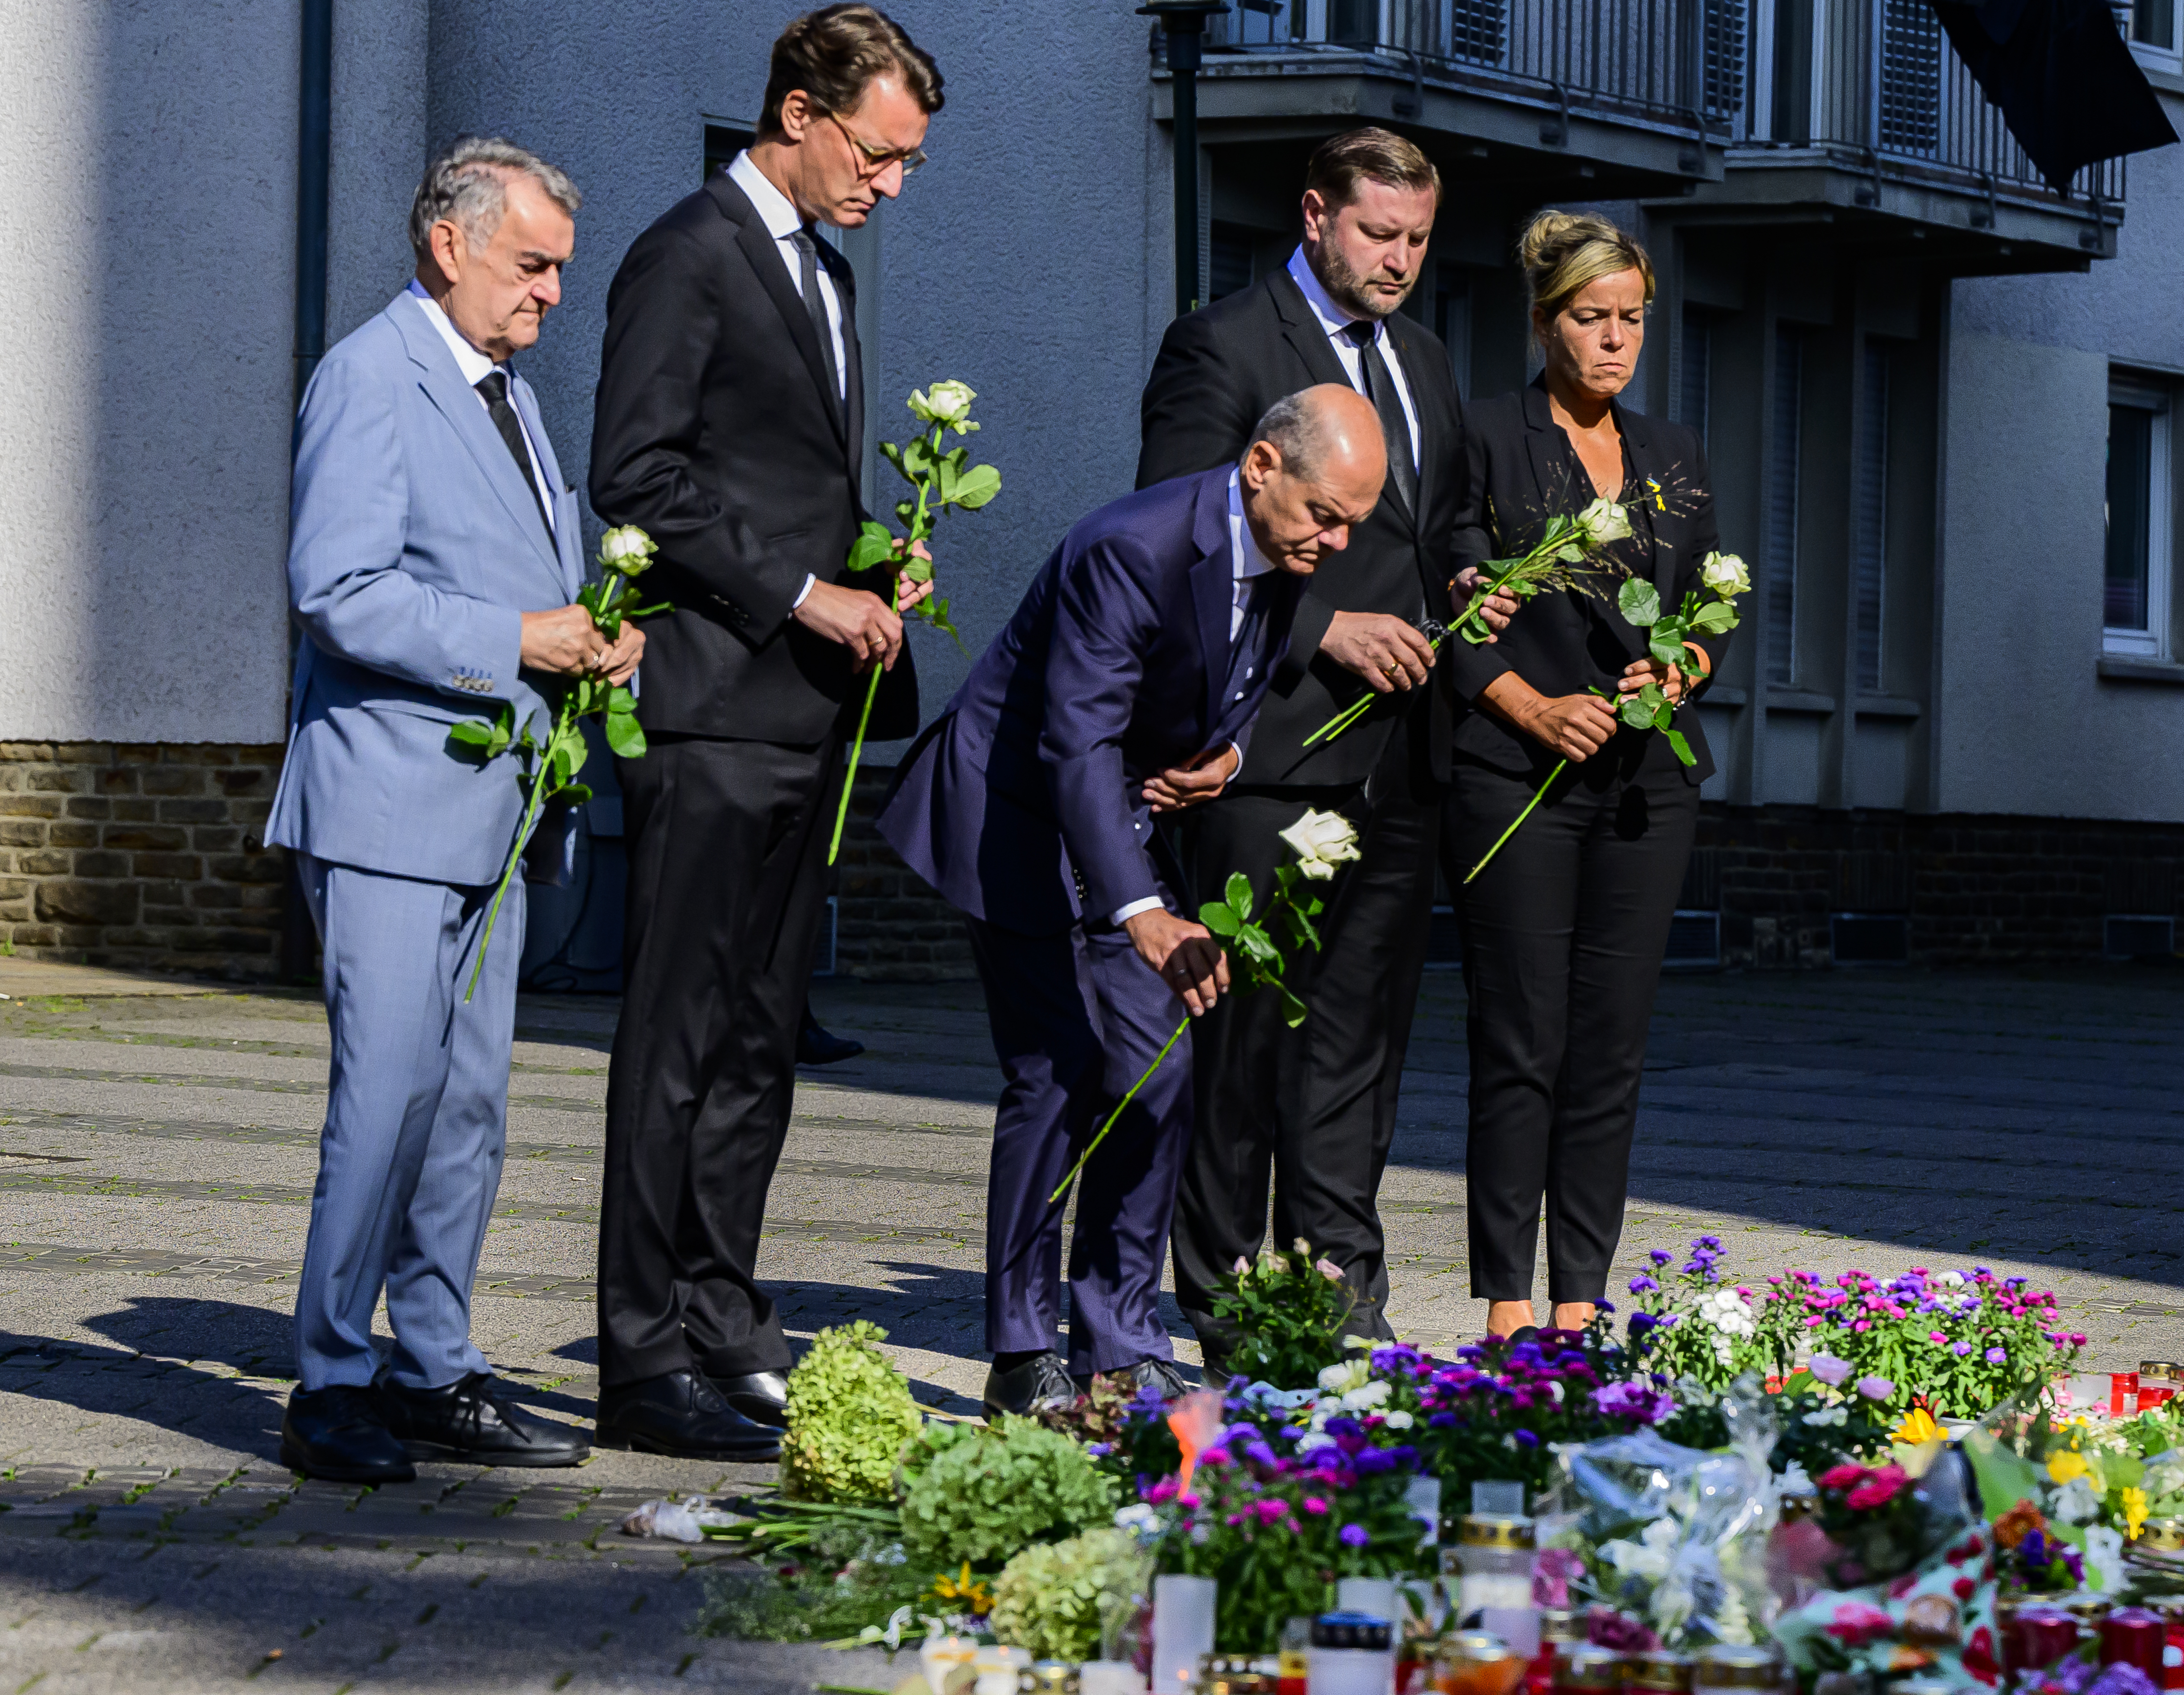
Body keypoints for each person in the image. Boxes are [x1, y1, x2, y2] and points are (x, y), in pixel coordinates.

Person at [880, 387, 1388, 1416]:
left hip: (1115, 815)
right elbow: (1074, 741)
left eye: (1353, 525)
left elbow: (1229, 679)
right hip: (1013, 814)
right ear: (1260, 466)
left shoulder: (1282, 553)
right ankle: (1023, 1353)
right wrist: (1142, 910)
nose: (1336, 542)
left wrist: (1219, 758)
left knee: (1158, 1068)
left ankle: (1119, 1339)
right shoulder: (1135, 545)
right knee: (1058, 1073)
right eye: (1325, 514)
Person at [588, 3, 941, 1457]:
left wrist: (864, 562)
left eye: (909, 160)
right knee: (677, 1033)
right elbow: (639, 471)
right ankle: (639, 1347)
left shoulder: (825, 276)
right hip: (714, 705)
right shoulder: (688, 255)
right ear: (796, 114)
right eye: (878, 152)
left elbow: (779, 480)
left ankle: (722, 1309)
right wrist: (800, 588)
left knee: (758, 1035)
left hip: (807, 711)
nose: (891, 184)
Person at [263, 138, 625, 1482]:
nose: (548, 295)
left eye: (559, 273)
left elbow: (511, 573)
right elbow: (337, 589)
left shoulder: (509, 392)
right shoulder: (371, 373)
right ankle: (330, 1380)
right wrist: (515, 637)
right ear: (448, 241)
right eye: (531, 265)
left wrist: (586, 634)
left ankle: (431, 1362)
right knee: (389, 1097)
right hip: (387, 804)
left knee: (467, 1102)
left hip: (494, 808)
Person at [1137, 127, 1503, 1358]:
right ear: (1312, 215)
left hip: (1401, 756)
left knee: (1356, 1040)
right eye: (1375, 234)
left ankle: (1339, 1285)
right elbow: (1180, 535)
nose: (1397, 260)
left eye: (1414, 239)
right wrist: (1326, 624)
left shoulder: (1426, 358)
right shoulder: (1223, 345)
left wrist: (1467, 576)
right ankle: (1226, 1295)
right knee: (1243, 1036)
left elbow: (1442, 512)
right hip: (1265, 750)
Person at [1444, 211, 1724, 1341]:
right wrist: (1526, 704)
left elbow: (1715, 604)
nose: (1611, 341)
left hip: (1645, 781)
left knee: (1608, 1044)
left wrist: (1685, 663)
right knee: (1520, 1037)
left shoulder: (1674, 455)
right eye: (1588, 318)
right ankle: (1507, 1300)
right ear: (1542, 318)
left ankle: (1578, 1300)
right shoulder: (1482, 437)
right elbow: (1454, 611)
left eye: (1629, 320)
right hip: (1515, 774)